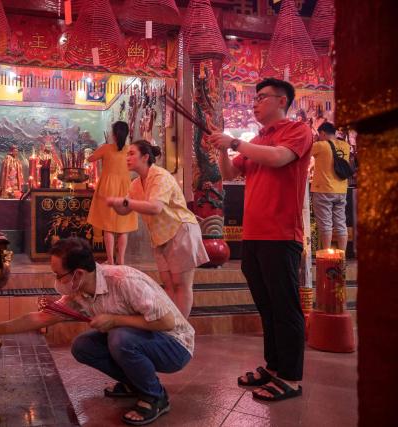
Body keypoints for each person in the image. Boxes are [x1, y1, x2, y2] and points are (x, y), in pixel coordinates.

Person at [0, 237, 194, 426]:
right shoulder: (79, 291)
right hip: (142, 339)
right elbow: (41, 318)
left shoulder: (123, 281)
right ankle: (135, 384)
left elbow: (167, 323)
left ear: (78, 273)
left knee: (119, 337)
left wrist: (115, 320)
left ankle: (155, 396)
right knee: (83, 346)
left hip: (175, 345)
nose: (57, 280)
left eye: (58, 275)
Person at [209, 78, 312, 402]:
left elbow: (280, 158)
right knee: (267, 307)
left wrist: (235, 143)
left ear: (282, 101)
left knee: (285, 307)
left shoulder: (298, 131)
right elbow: (228, 174)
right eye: (254, 98)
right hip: (254, 235)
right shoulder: (256, 139)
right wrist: (223, 150)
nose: (255, 102)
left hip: (281, 235)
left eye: (262, 97)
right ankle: (274, 366)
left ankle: (291, 378)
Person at [106, 140, 209, 317]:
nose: (127, 157)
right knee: (168, 284)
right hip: (161, 237)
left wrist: (123, 202)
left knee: (181, 284)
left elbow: (155, 208)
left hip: (180, 230)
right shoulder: (136, 183)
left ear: (145, 157)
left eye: (131, 153)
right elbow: (125, 209)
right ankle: (171, 326)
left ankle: (180, 329)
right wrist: (114, 203)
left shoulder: (159, 176)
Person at [86, 121, 138, 265]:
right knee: (123, 227)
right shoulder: (131, 150)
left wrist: (101, 149)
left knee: (107, 226)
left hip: (107, 189)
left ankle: (110, 260)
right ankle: (121, 260)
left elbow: (90, 159)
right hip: (126, 188)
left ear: (114, 134)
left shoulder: (106, 148)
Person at [310, 121, 350, 250]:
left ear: (322, 133)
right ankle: (341, 257)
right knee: (341, 224)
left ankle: (327, 256)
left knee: (326, 225)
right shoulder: (345, 145)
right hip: (341, 190)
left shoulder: (320, 145)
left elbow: (304, 153)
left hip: (323, 190)